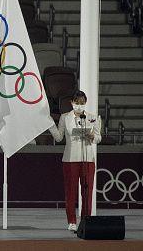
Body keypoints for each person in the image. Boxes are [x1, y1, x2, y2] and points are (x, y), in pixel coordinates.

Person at [48, 90, 101, 232]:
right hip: (70, 159)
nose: (79, 106)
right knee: (70, 191)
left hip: (88, 159)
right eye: (76, 103)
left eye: (82, 103)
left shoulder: (93, 118)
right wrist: (50, 125)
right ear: (72, 103)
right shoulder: (65, 117)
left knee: (87, 191)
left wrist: (92, 137)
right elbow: (59, 137)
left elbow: (98, 137)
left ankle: (86, 219)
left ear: (85, 103)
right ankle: (71, 221)